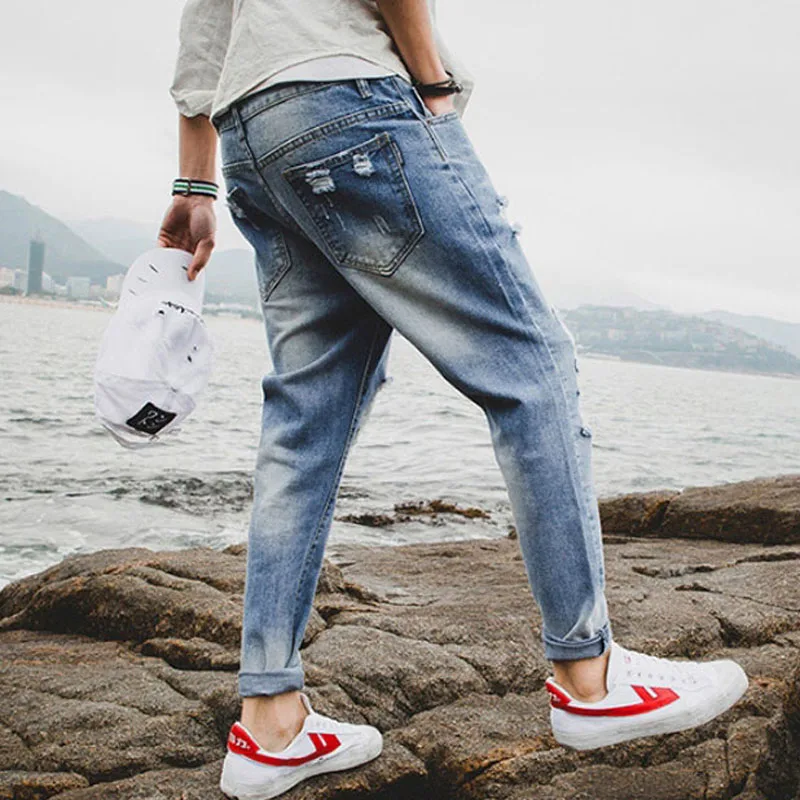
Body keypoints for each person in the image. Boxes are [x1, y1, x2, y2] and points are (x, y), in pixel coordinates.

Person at [160, 2, 749, 797]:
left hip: (252, 136)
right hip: (352, 103)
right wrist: (433, 86)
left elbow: (205, 29)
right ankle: (590, 676)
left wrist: (194, 180)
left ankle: (270, 721)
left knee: (305, 421)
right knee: (532, 367)